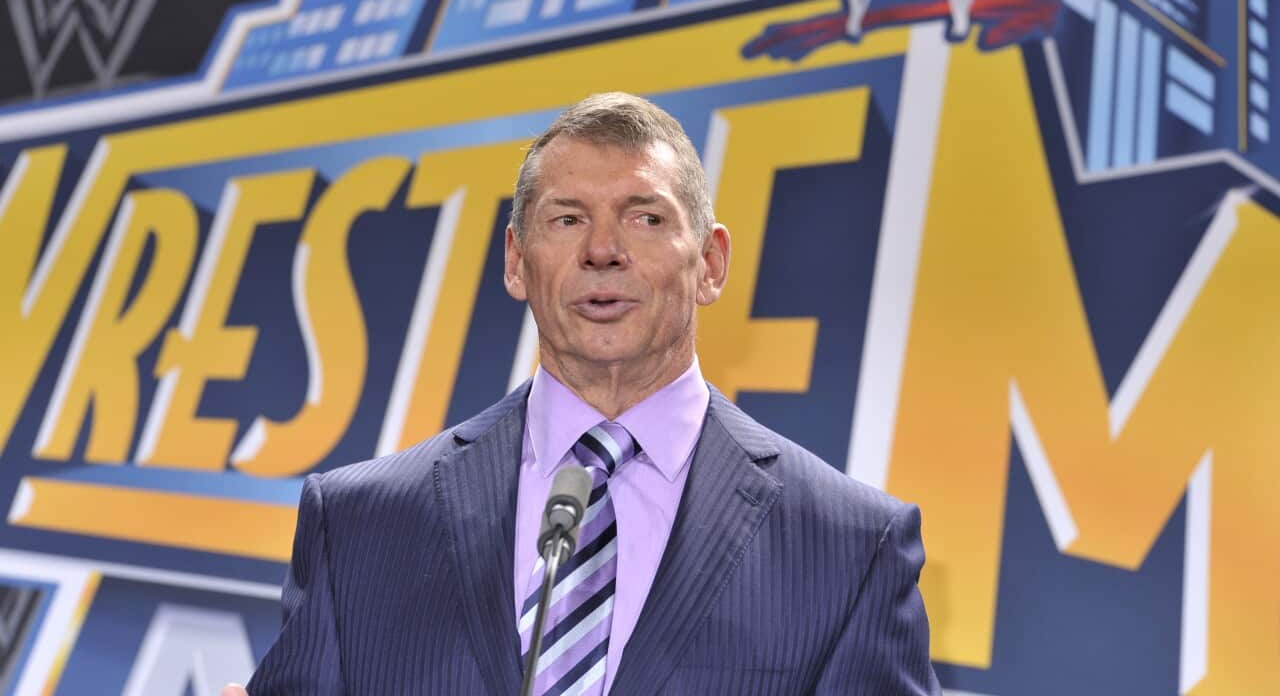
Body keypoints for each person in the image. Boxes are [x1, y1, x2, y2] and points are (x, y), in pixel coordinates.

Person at [225, 92, 941, 695]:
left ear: (710, 263)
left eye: (645, 218)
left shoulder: (851, 549)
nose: (603, 250)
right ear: (517, 262)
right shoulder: (357, 525)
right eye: (567, 219)